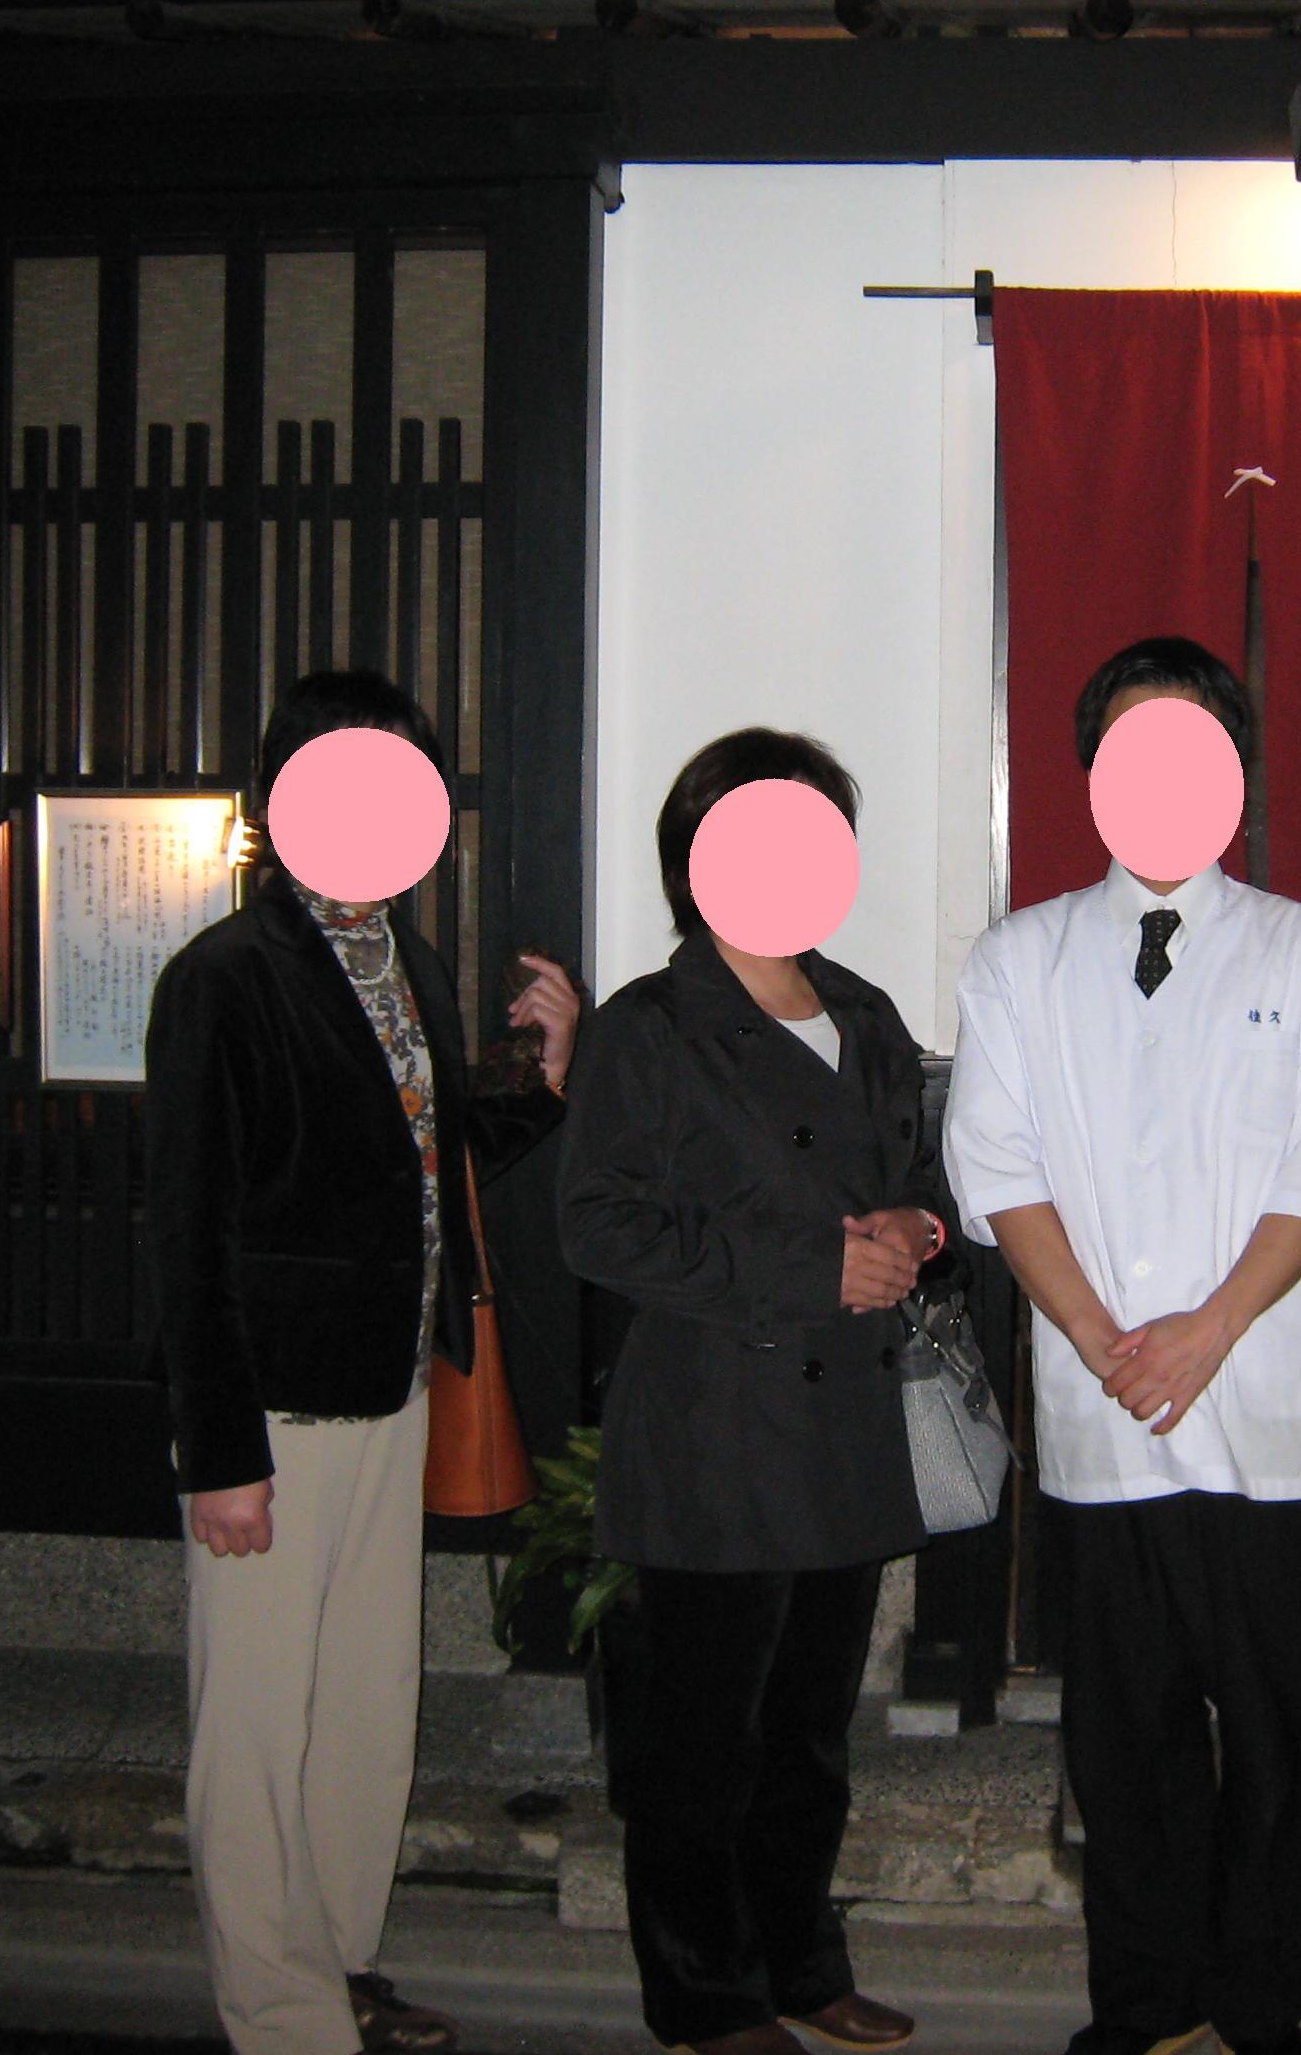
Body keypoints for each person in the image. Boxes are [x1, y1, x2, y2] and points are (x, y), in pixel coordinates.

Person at [945, 637, 1301, 2055]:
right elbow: (996, 1162)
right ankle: (1145, 2006)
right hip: (1104, 1414)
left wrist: (1206, 1332)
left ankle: (1264, 2003)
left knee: (1269, 1731)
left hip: (1266, 1415)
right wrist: (1102, 1338)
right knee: (1124, 1741)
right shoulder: (1019, 958)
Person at [147, 669, 582, 2055]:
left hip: (392, 1391)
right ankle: (279, 2012)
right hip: (272, 1413)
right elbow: (188, 1239)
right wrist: (220, 1456)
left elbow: (431, 1158)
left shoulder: (409, 962)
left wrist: (545, 1077)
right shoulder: (222, 978)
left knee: (365, 1706)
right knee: (256, 1724)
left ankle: (339, 1963)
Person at [557, 728, 954, 2055]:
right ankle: (706, 1998)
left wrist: (914, 1232)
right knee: (700, 1745)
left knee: (811, 1734)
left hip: (844, 1430)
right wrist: (811, 1267)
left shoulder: (866, 1012)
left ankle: (801, 1964)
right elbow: (597, 1226)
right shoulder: (650, 1027)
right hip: (714, 1433)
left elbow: (923, 1183)